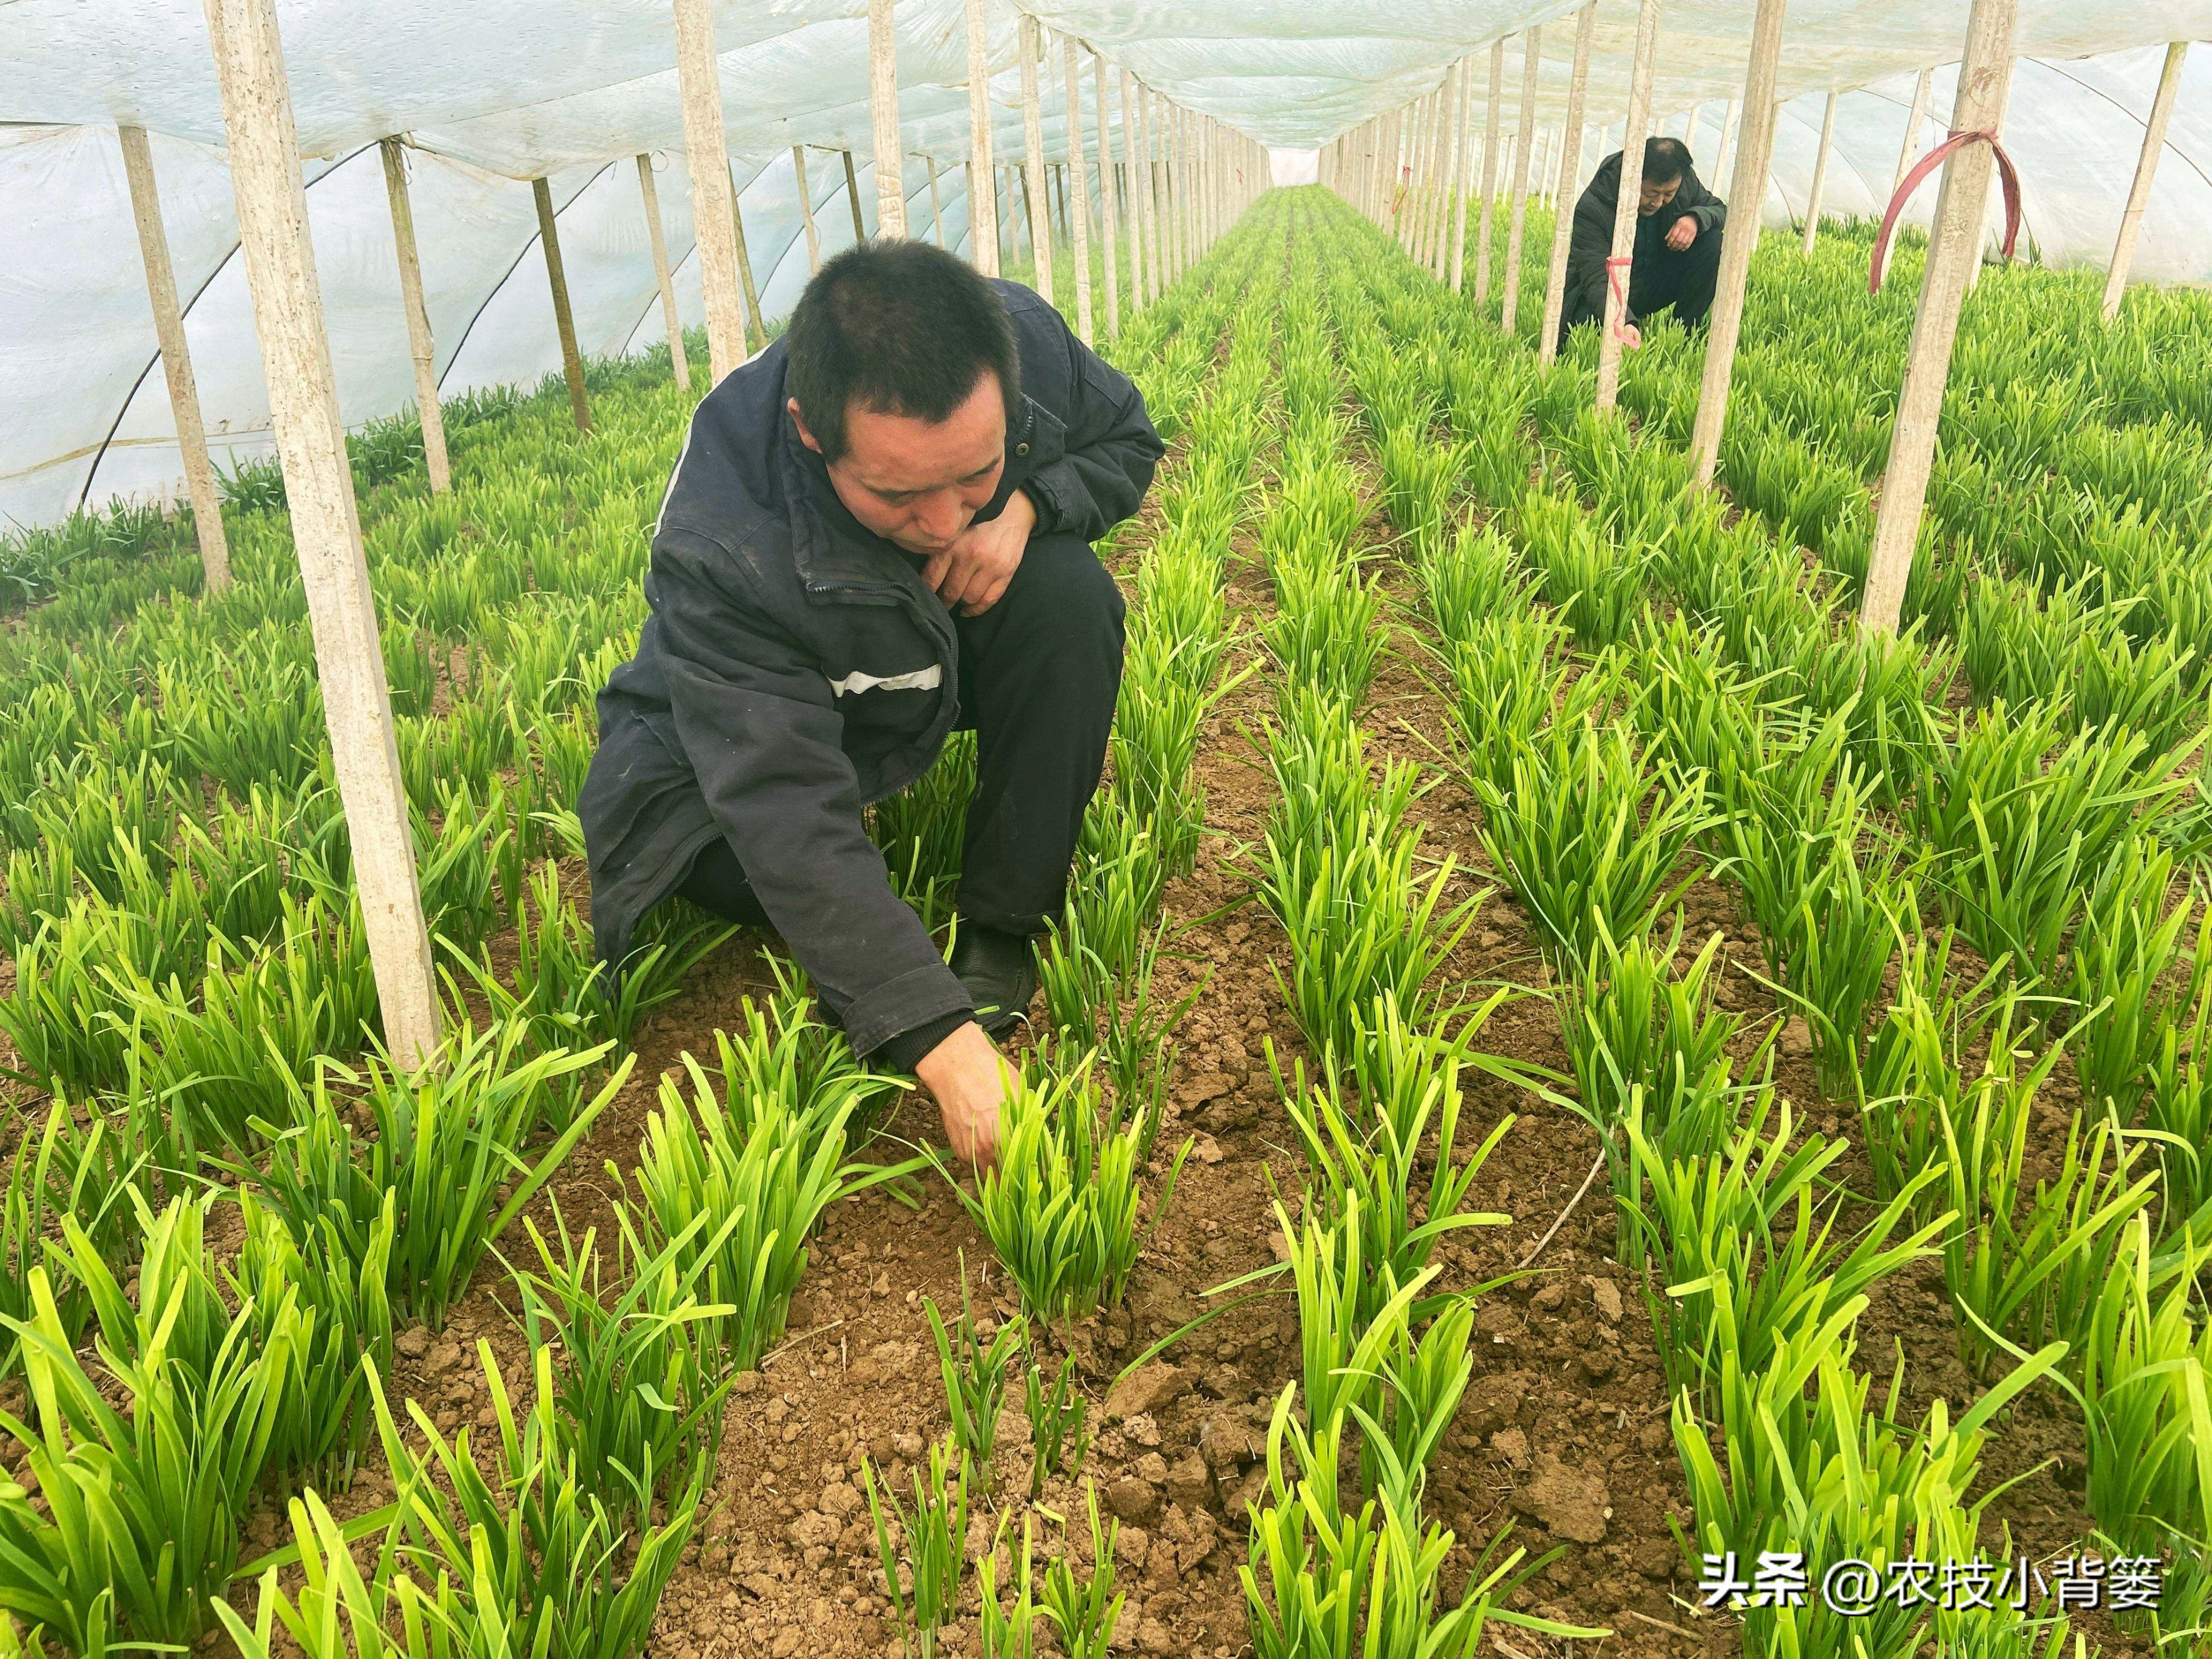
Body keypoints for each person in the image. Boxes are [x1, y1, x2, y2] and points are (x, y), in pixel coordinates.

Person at [580, 239, 1162, 1170]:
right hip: (778, 691)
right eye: (898, 493)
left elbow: (1127, 439)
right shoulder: (724, 535)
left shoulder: (1022, 342)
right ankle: (871, 927)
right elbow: (775, 802)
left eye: (972, 474)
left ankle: (1002, 924)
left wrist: (1024, 510)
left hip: (924, 638)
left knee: (1066, 596)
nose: (944, 522)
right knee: (727, 863)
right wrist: (934, 1036)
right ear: (813, 432)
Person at [1559, 135, 1726, 351]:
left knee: (1713, 242)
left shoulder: (1685, 181)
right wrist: (1624, 320)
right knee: (1580, 337)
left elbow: (1719, 209)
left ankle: (1684, 335)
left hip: (1653, 278)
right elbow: (1596, 275)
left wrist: (1695, 218)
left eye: (1669, 194)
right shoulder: (1594, 206)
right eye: (1650, 193)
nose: (1658, 202)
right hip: (1606, 288)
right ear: (1633, 179)